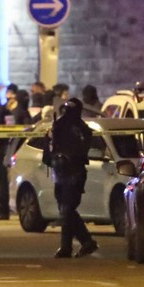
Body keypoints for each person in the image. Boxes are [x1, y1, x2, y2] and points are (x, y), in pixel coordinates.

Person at [48, 98, 98, 259]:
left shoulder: (82, 129)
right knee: (66, 211)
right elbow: (50, 147)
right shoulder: (59, 125)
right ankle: (81, 243)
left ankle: (70, 246)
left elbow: (82, 149)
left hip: (74, 173)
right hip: (61, 172)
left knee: (67, 210)